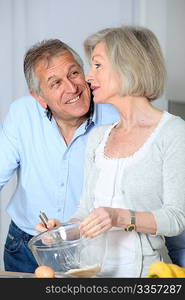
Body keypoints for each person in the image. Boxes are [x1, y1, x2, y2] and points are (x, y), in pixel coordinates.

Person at [36, 26, 185, 277]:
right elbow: (85, 212)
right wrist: (61, 230)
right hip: (92, 273)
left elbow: (176, 218)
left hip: (146, 275)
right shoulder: (98, 137)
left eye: (97, 65)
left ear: (127, 65)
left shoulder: (173, 132)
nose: (88, 77)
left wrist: (118, 217)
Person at [0, 39, 120, 273]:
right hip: (27, 245)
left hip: (90, 245)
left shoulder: (115, 116)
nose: (72, 88)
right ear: (39, 97)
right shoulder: (22, 112)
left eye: (74, 73)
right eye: (55, 83)